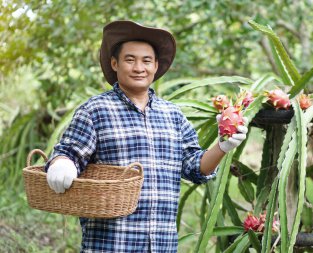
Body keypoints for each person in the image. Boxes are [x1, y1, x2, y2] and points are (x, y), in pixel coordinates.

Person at [45, 20, 248, 252]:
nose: (138, 67)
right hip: (110, 244)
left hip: (162, 244)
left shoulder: (173, 115)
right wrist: (61, 164)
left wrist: (222, 146)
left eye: (146, 61)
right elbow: (68, 153)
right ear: (114, 64)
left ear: (156, 66)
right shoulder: (95, 110)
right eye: (130, 59)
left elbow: (194, 167)